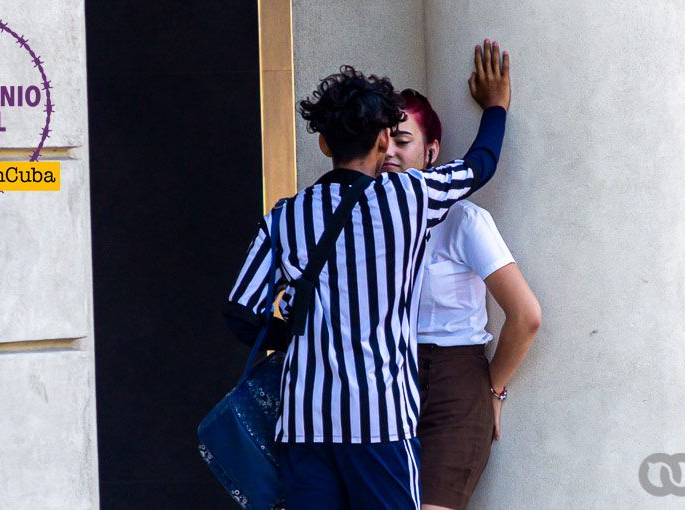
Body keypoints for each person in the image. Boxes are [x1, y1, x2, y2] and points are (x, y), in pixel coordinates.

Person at [223, 39, 510, 509]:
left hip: (304, 424)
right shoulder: (408, 198)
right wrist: (496, 107)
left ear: (323, 142)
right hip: (380, 421)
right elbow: (481, 165)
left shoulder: (285, 216)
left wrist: (295, 332)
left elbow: (238, 312)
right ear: (382, 141)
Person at [381, 73, 540, 510]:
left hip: (453, 385)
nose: (389, 152)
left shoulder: (463, 220)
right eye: (382, 142)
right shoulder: (370, 224)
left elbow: (526, 316)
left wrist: (494, 389)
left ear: (431, 152)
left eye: (402, 140)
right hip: (385, 386)